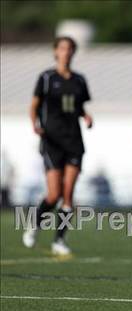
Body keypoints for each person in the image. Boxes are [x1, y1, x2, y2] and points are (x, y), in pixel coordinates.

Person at [23, 36, 93, 256]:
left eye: (70, 49)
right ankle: (34, 224)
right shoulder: (46, 78)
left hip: (73, 141)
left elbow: (78, 106)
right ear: (56, 52)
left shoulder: (79, 80)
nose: (67, 52)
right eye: (63, 48)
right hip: (52, 141)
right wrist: (35, 124)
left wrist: (86, 116)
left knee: (68, 194)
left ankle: (59, 240)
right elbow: (34, 106)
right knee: (53, 195)